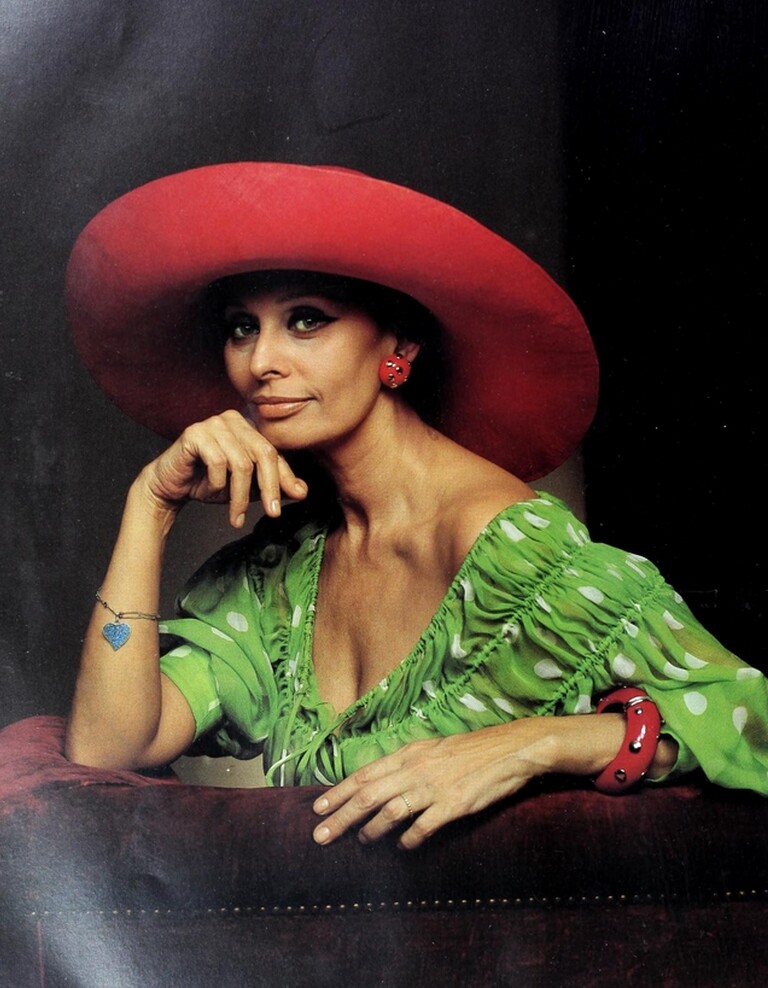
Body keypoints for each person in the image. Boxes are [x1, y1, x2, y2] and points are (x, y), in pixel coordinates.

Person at [64, 162, 767, 851]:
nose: (260, 363)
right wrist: (151, 505)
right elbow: (107, 747)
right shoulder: (279, 576)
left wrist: (533, 744)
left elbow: (748, 720)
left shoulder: (509, 550)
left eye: (306, 321)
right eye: (242, 327)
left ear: (398, 345)